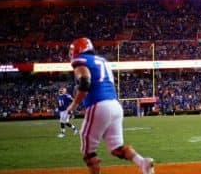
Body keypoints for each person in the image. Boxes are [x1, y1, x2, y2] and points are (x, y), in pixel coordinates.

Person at [65, 37, 154, 174]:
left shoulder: (80, 60)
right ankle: (142, 162)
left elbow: (85, 82)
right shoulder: (102, 60)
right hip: (115, 105)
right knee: (117, 148)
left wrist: (73, 104)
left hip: (98, 105)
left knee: (88, 152)